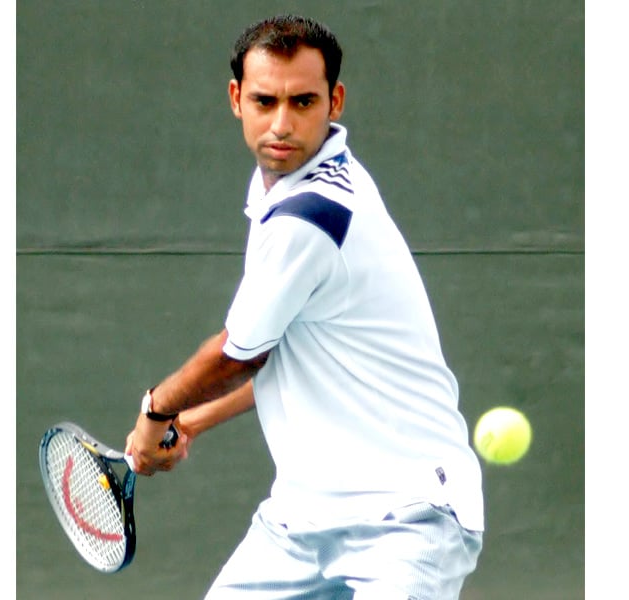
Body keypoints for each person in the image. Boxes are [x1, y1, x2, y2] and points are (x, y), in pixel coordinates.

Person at [126, 14, 484, 599]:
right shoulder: (280, 191)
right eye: (265, 101)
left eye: (303, 101)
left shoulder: (312, 214)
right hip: (297, 523)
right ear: (236, 99)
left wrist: (157, 411)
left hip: (407, 517)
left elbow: (236, 357)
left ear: (334, 101)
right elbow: (276, 354)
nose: (282, 124)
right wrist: (195, 419)